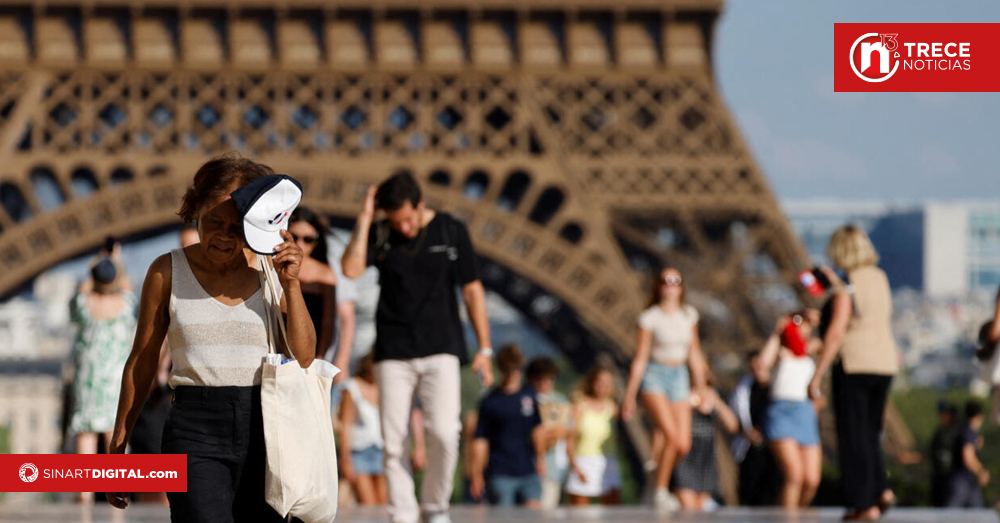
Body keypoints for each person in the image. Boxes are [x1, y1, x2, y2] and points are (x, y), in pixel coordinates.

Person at [105, 155, 317, 522]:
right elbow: (142, 360)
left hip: (267, 429)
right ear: (194, 212)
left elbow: (303, 357)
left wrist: (292, 285)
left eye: (235, 228)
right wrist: (118, 444)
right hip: (193, 427)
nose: (221, 235)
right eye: (212, 222)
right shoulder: (166, 271)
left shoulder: (271, 270)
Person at [341, 171, 494, 523]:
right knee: (394, 442)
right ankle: (404, 514)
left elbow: (472, 290)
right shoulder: (381, 232)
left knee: (445, 431)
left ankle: (435, 505)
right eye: (396, 222)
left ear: (421, 204)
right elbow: (350, 270)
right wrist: (366, 218)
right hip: (393, 350)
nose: (404, 228)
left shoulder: (450, 230)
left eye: (408, 219)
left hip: (441, 346)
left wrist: (485, 348)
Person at [808, 226, 899, 521]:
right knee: (871, 432)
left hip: (854, 362)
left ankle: (863, 503)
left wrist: (817, 374)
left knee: (853, 434)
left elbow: (836, 332)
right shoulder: (879, 277)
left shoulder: (846, 282)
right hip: (884, 361)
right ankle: (881, 489)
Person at [621, 267, 707, 512]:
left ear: (681, 286)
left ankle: (657, 474)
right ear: (658, 285)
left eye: (676, 280)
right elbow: (640, 357)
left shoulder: (689, 315)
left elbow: (695, 352)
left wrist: (700, 386)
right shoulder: (650, 318)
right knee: (669, 434)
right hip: (655, 375)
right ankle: (660, 490)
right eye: (666, 280)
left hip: (679, 375)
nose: (671, 285)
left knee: (683, 444)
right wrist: (630, 395)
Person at [69, 258, 137, 504]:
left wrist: (93, 272)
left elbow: (80, 293)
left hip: (88, 380)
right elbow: (127, 287)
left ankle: (83, 496)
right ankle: (118, 494)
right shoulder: (126, 304)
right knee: (115, 433)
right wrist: (117, 262)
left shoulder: (83, 305)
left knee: (85, 434)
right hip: (116, 381)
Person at [758, 312, 823, 509]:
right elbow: (761, 366)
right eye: (796, 321)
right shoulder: (780, 351)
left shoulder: (809, 350)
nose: (800, 325)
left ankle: (798, 513)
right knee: (794, 475)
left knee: (811, 479)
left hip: (804, 411)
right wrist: (778, 334)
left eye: (804, 322)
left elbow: (829, 340)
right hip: (781, 410)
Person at [469, 345, 546, 508]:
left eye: (516, 368)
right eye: (508, 369)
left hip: (528, 470)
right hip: (500, 473)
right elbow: (480, 440)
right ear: (501, 369)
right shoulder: (490, 401)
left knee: (534, 515)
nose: (512, 373)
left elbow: (537, 430)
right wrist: (476, 474)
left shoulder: (529, 395)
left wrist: (541, 458)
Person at [672, 372, 739, 511]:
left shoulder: (714, 395)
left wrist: (717, 403)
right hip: (686, 456)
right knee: (688, 507)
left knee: (701, 508)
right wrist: (690, 403)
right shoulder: (681, 393)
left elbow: (732, 426)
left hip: (705, 457)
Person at [565, 366, 623, 506]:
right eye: (600, 382)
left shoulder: (613, 408)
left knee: (614, 512)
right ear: (592, 383)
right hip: (583, 461)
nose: (604, 387)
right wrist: (575, 466)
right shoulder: (579, 406)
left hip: (607, 462)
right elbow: (570, 439)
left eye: (608, 383)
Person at [289, 207, 338, 360]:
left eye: (308, 239)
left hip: (308, 353)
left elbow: (328, 321)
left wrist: (320, 356)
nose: (300, 244)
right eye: (293, 237)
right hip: (273, 348)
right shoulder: (270, 265)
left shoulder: (325, 274)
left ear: (317, 241)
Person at [338, 353, 387, 506]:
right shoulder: (352, 387)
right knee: (368, 505)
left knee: (384, 504)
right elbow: (345, 425)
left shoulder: (383, 387)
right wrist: (345, 459)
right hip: (359, 453)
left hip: (381, 450)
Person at [526, 357, 573, 509]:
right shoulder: (524, 399)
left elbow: (568, 430)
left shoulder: (560, 400)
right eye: (540, 379)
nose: (545, 384)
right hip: (526, 467)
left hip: (552, 468)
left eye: (549, 379)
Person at [947, 401, 989, 508]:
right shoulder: (968, 432)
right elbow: (968, 458)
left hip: (967, 480)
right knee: (951, 514)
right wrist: (980, 471)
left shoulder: (966, 431)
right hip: (962, 481)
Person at [930, 401, 960, 507]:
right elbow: (932, 453)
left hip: (953, 478)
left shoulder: (957, 432)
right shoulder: (940, 432)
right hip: (939, 476)